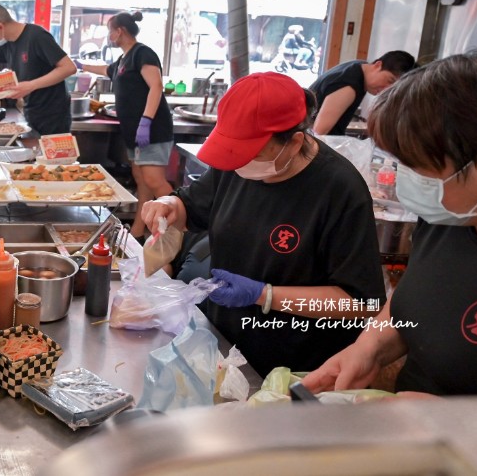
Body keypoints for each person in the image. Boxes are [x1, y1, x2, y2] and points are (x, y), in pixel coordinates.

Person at [141, 72, 385, 377]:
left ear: (295, 142)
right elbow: (191, 207)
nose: (238, 164)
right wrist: (168, 205)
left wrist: (266, 295)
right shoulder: (236, 164)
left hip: (294, 366)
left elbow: (362, 304)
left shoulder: (339, 190)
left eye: (250, 154)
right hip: (226, 345)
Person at [304, 51, 477, 398]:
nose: (405, 178)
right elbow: (419, 300)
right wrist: (369, 348)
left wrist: (453, 420)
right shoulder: (449, 217)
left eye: (419, 166)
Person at [79, 11, 173, 238]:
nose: (109, 35)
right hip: (134, 132)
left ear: (119, 31)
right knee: (141, 181)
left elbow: (156, 86)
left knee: (155, 181)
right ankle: (140, 231)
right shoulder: (124, 59)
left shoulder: (143, 53)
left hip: (152, 130)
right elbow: (106, 70)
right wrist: (80, 65)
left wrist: (146, 120)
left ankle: (179, 233)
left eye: (110, 31)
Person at [0, 1, 75, 136]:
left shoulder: (37, 36)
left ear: (0, 26)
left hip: (54, 114)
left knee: (52, 157)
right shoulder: (6, 43)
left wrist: (31, 85)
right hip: (31, 111)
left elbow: (69, 68)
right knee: (35, 153)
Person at [309, 50, 416, 136]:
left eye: (393, 88)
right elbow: (318, 132)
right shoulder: (348, 87)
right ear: (378, 65)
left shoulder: (360, 66)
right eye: (390, 81)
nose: (386, 90)